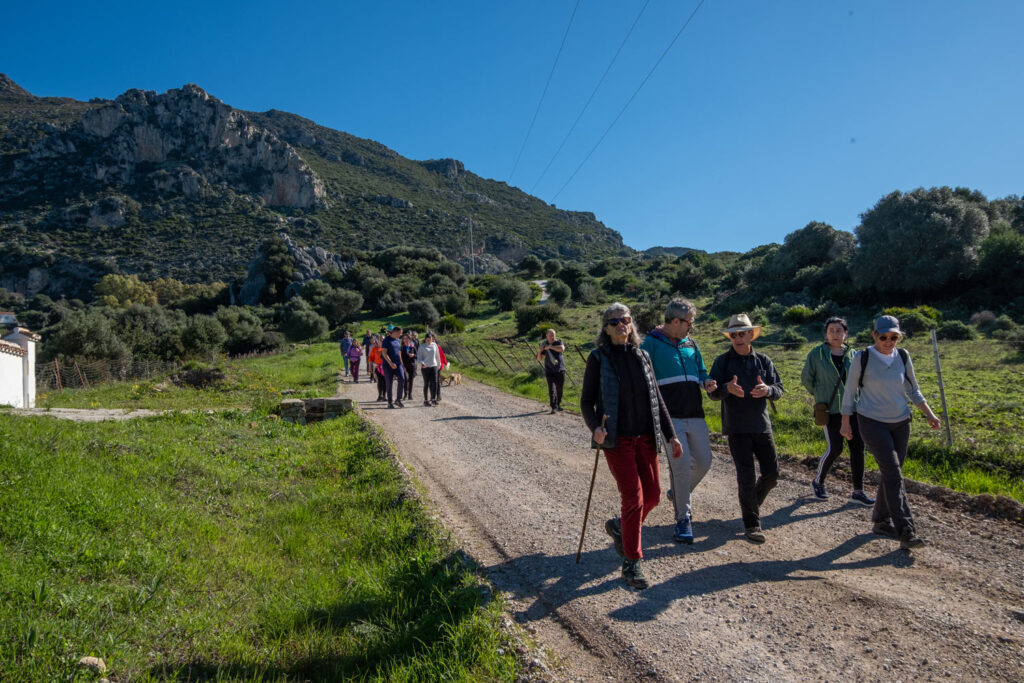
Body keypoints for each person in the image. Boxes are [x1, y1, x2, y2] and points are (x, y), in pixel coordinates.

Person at [581, 302, 683, 590]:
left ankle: (619, 526)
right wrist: (596, 427)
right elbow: (586, 402)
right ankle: (632, 561)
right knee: (634, 498)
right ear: (606, 328)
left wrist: (671, 434)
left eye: (624, 319)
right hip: (618, 440)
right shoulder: (598, 358)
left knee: (652, 496)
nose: (620, 325)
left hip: (646, 438)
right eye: (613, 322)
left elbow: (657, 398)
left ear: (631, 324)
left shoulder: (643, 356)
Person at [841, 315, 941, 551]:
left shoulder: (903, 356)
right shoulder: (862, 357)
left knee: (892, 473)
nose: (888, 341)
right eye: (883, 336)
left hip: (901, 422)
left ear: (899, 336)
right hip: (871, 422)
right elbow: (850, 391)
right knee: (894, 473)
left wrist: (929, 413)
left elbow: (913, 389)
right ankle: (906, 531)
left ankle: (881, 521)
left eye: (893, 337)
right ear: (875, 335)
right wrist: (845, 421)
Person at [640, 298, 717, 544]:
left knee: (704, 462)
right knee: (681, 467)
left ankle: (678, 492)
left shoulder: (691, 344)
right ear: (675, 321)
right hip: (669, 418)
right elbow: (642, 377)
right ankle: (683, 519)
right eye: (689, 323)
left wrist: (707, 381)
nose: (691, 327)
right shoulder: (649, 344)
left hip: (696, 413)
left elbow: (702, 371)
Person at [707, 313, 784, 544]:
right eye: (733, 334)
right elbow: (712, 392)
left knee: (772, 475)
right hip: (737, 427)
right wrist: (726, 388)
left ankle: (751, 505)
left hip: (762, 426)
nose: (738, 338)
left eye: (742, 333)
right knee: (746, 477)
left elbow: (779, 388)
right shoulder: (723, 361)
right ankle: (752, 524)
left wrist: (767, 390)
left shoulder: (764, 360)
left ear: (751, 335)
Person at [801, 317, 874, 506]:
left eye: (839, 330)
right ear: (826, 333)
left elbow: (862, 380)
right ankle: (818, 481)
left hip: (854, 408)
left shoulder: (854, 355)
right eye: (832, 330)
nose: (835, 334)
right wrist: (820, 394)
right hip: (830, 409)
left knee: (857, 448)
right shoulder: (816, 354)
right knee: (836, 448)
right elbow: (807, 379)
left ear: (846, 333)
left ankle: (858, 491)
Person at [537, 328, 566, 413]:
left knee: (559, 388)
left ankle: (558, 404)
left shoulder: (559, 342)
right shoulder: (544, 345)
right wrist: (540, 351)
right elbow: (539, 359)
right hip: (549, 370)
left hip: (560, 369)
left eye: (553, 335)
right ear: (546, 336)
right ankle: (553, 406)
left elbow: (562, 349)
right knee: (552, 388)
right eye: (550, 335)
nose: (552, 337)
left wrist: (550, 347)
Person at [381, 326, 406, 408]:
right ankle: (390, 402)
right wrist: (390, 363)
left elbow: (399, 353)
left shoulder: (398, 340)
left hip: (398, 364)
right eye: (400, 333)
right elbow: (384, 353)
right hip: (388, 365)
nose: (401, 334)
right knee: (389, 383)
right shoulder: (386, 340)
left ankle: (398, 400)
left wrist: (402, 364)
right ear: (395, 332)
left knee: (402, 379)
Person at [418, 332, 442, 406]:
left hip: (434, 366)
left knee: (435, 382)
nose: (429, 341)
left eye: (430, 339)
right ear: (425, 339)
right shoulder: (422, 346)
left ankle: (433, 399)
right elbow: (419, 357)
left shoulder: (434, 345)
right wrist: (422, 363)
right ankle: (426, 400)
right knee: (426, 383)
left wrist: (439, 364)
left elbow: (437, 355)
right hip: (425, 367)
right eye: (428, 340)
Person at [401, 333, 418, 401]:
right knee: (405, 379)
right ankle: (405, 394)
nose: (405, 340)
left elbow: (417, 356)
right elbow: (400, 357)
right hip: (404, 366)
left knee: (411, 380)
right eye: (404, 339)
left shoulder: (413, 347)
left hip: (412, 366)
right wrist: (402, 366)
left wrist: (413, 355)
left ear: (410, 339)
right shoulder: (402, 347)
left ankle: (410, 395)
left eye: (407, 339)